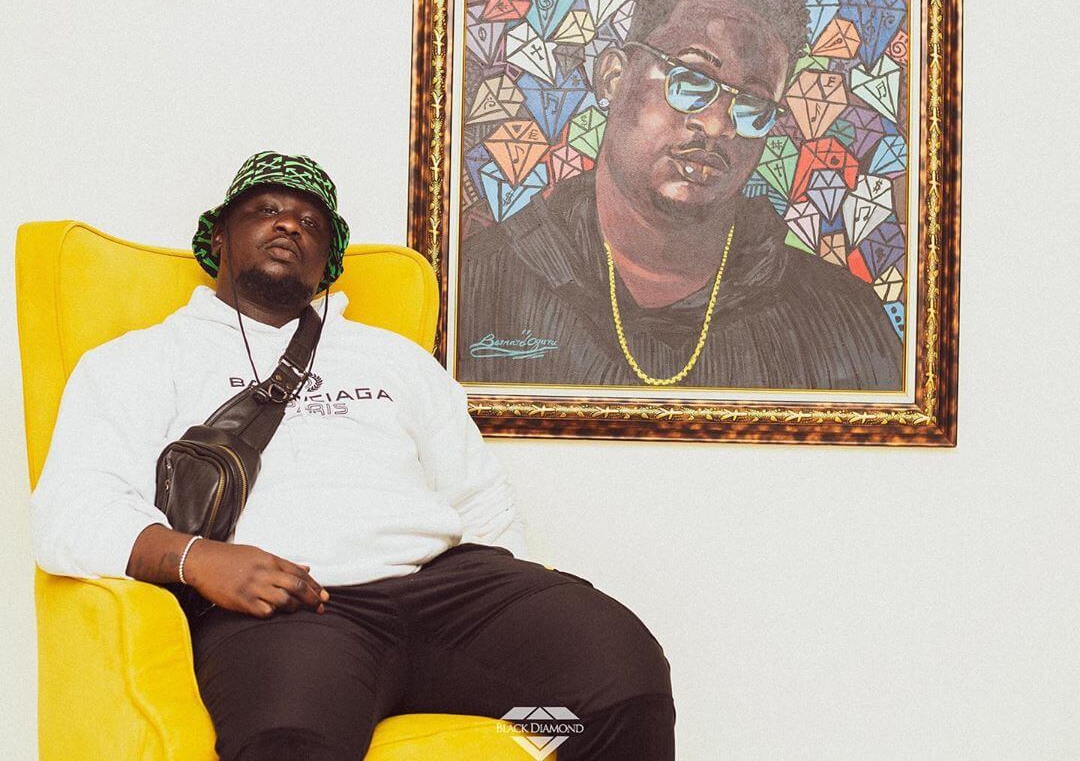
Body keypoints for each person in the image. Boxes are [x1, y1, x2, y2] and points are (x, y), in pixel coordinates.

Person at [30, 151, 675, 761]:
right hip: (293, 610)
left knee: (619, 685)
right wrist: (198, 559)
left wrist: (511, 609)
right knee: (290, 739)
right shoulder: (140, 361)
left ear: (328, 262)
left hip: (445, 592)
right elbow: (72, 511)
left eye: (311, 222)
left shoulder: (394, 359)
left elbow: (478, 498)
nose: (289, 224)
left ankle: (524, 725)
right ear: (219, 236)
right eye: (266, 210)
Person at [458, 0, 902, 390]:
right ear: (613, 77)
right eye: (691, 80)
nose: (717, 124)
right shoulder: (476, 284)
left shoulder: (844, 321)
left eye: (752, 105)